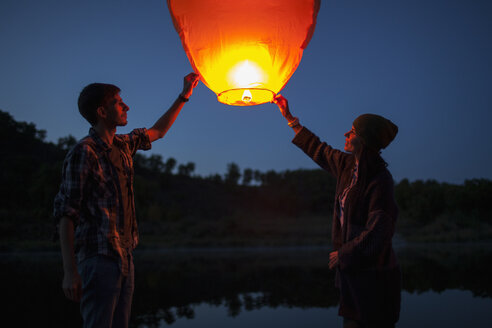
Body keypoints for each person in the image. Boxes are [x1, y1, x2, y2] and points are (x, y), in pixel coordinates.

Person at [53, 73, 200, 328]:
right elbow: (66, 213)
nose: (126, 106)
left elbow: (159, 131)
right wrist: (70, 272)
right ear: (102, 111)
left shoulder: (123, 146)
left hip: (125, 256)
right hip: (98, 258)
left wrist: (184, 95)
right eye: (118, 102)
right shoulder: (84, 152)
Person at [273, 95, 401, 328]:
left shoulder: (380, 180)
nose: (346, 134)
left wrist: (344, 254)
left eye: (352, 132)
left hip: (374, 280)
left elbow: (379, 232)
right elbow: (318, 149)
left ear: (364, 140)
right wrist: (290, 119)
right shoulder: (347, 166)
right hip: (352, 275)